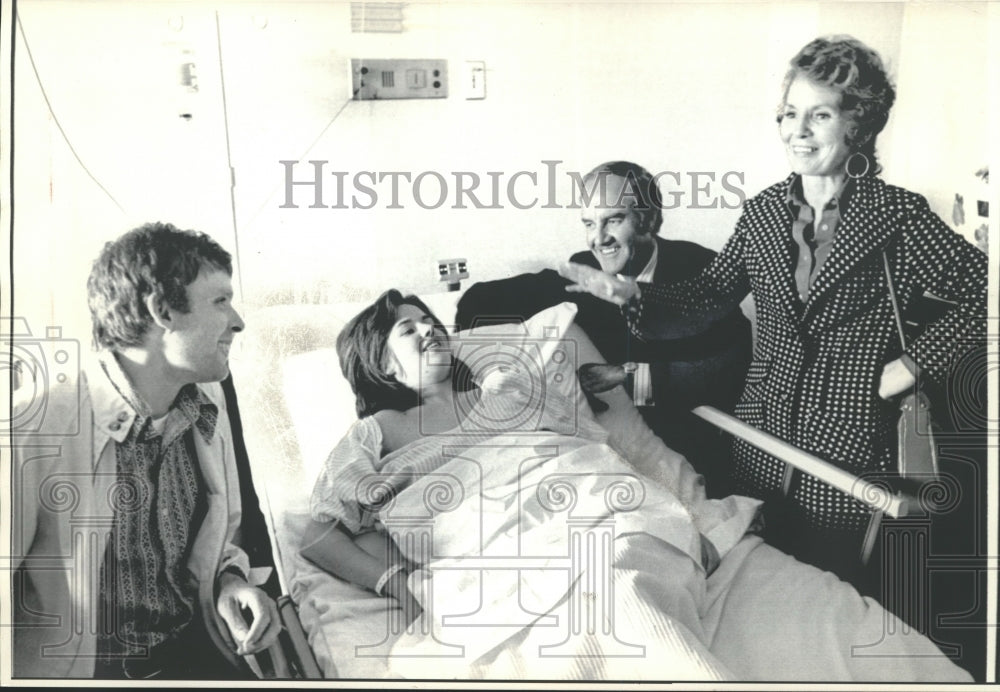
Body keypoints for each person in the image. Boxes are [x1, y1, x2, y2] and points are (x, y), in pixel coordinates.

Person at [298, 289, 970, 682]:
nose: (429, 329)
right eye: (408, 328)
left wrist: (597, 392)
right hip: (488, 550)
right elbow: (320, 533)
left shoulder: (510, 390)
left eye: (429, 319)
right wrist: (394, 581)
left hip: (603, 515)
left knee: (622, 573)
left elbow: (596, 447)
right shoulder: (375, 435)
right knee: (605, 609)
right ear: (378, 361)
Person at [560, 37, 988, 597]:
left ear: (858, 123)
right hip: (760, 439)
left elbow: (986, 291)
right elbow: (708, 296)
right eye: (789, 113)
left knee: (830, 593)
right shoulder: (762, 214)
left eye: (819, 115)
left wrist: (910, 365)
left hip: (847, 449)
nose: (797, 130)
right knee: (756, 584)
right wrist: (635, 298)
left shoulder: (898, 217)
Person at [11, 223, 282, 679]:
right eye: (220, 300)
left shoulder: (206, 403)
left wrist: (229, 581)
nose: (238, 321)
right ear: (162, 310)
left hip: (195, 652)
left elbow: (216, 539)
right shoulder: (32, 426)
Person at [456, 161, 752, 497]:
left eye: (613, 220)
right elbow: (480, 300)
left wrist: (627, 376)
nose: (599, 239)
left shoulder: (701, 270)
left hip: (691, 447)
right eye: (589, 223)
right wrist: (488, 370)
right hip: (609, 449)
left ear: (648, 218)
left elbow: (728, 370)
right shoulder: (585, 270)